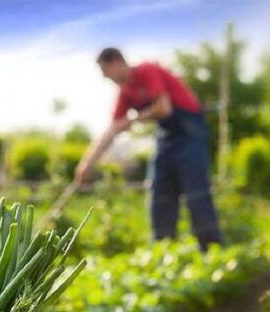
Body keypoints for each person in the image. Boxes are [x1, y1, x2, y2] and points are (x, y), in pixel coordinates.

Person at [74, 47, 223, 251]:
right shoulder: (125, 93)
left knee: (196, 193)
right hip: (166, 137)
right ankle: (163, 255)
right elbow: (113, 129)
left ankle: (213, 252)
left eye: (106, 71)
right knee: (159, 192)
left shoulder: (147, 71)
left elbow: (164, 108)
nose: (106, 77)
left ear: (117, 61)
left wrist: (133, 119)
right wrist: (86, 164)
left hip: (190, 132)